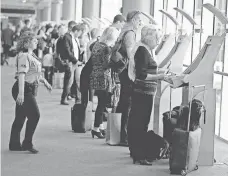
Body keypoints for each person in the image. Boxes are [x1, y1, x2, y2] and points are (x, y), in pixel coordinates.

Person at [127, 25, 167, 165]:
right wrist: (160, 76)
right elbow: (142, 75)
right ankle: (139, 155)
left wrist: (160, 72)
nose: (158, 41)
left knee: (136, 122)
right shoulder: (143, 51)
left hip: (141, 91)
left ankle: (135, 152)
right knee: (140, 123)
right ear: (149, 38)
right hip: (143, 92)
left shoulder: (143, 48)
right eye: (156, 38)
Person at [9, 31, 52, 154]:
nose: (37, 42)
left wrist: (45, 82)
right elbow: (22, 75)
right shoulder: (24, 56)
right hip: (23, 88)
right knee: (35, 115)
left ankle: (14, 144)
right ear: (27, 43)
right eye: (34, 40)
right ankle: (27, 143)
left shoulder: (32, 55)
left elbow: (34, 72)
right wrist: (21, 93)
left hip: (29, 87)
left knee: (20, 117)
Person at [115, 10, 142, 147]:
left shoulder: (124, 32)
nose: (140, 23)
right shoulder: (130, 34)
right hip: (127, 72)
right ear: (133, 20)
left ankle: (118, 132)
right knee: (127, 103)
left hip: (123, 71)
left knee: (123, 102)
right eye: (139, 20)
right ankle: (123, 136)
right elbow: (131, 54)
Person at [90, 27, 120, 139]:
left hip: (95, 74)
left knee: (100, 102)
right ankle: (95, 128)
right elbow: (106, 64)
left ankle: (101, 126)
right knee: (102, 104)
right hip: (104, 76)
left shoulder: (96, 44)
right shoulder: (106, 48)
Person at [60, 22, 83, 105]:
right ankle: (64, 98)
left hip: (75, 62)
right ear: (76, 31)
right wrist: (75, 60)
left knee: (76, 80)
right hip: (70, 62)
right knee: (69, 81)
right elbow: (67, 50)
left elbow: (75, 50)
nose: (80, 35)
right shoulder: (67, 37)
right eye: (80, 33)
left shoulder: (74, 38)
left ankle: (78, 98)